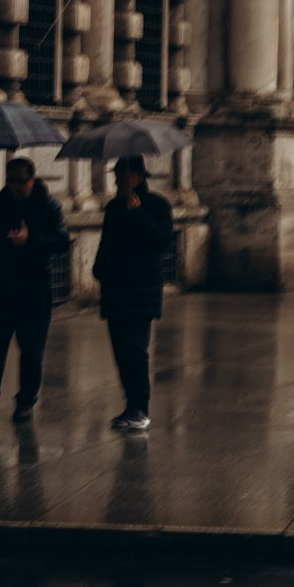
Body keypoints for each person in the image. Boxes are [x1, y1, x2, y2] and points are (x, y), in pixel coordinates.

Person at [0, 156, 70, 424]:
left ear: (32, 180)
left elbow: (60, 241)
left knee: (31, 348)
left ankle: (26, 402)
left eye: (20, 181)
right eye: (10, 181)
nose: (15, 186)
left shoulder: (48, 206)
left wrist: (29, 240)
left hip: (34, 286)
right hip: (2, 284)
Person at [93, 156, 173, 431]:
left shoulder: (157, 206)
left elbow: (162, 242)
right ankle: (130, 404)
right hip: (115, 291)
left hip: (142, 292)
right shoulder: (114, 207)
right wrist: (99, 269)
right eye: (115, 175)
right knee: (120, 353)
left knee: (135, 350)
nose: (116, 180)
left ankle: (140, 407)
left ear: (137, 177)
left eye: (120, 175)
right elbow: (106, 243)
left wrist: (139, 214)